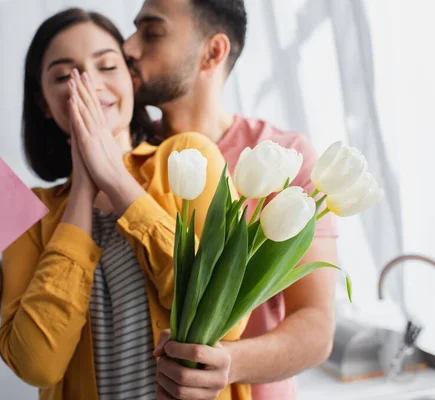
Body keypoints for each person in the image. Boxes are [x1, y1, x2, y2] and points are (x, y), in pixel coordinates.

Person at [0, 8, 252, 400]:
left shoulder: (190, 157)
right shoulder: (31, 214)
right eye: (63, 76)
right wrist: (82, 190)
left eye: (108, 66)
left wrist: (113, 175)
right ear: (44, 103)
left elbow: (225, 317)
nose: (87, 84)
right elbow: (36, 363)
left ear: (131, 80)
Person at [123, 0, 338, 399]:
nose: (128, 48)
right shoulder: (125, 159)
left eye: (151, 32)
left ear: (214, 51)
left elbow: (316, 326)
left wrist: (225, 363)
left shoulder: (282, 157)